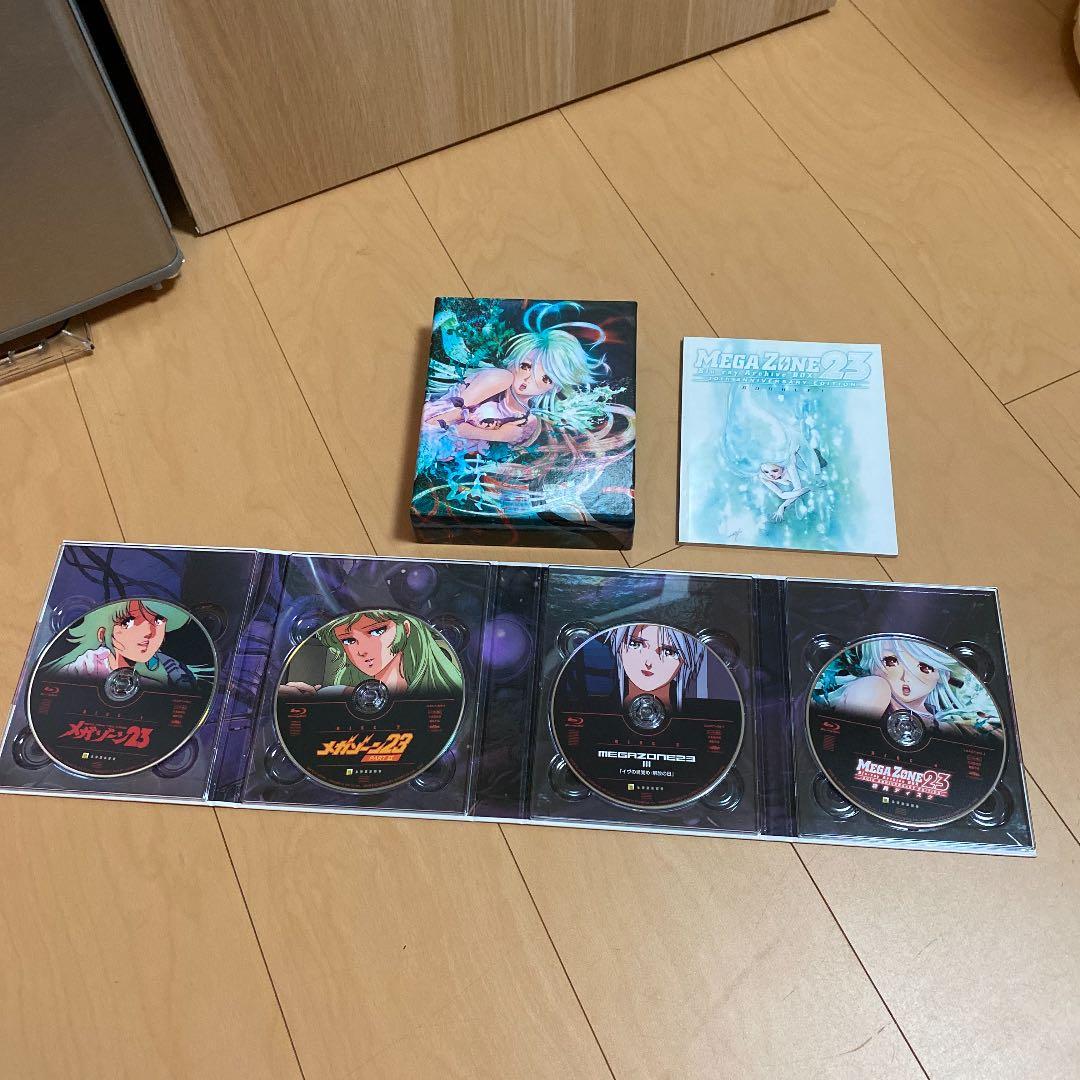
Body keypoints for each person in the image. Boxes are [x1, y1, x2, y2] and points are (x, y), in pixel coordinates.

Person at [280, 609, 461, 698]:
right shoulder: (333, 694)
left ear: (405, 629)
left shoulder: (442, 693)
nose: (362, 651)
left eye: (376, 631)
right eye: (348, 641)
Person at [47, 599, 203, 689]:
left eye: (158, 621)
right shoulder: (85, 666)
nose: (149, 631)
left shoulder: (170, 671)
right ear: (102, 634)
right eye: (128, 622)